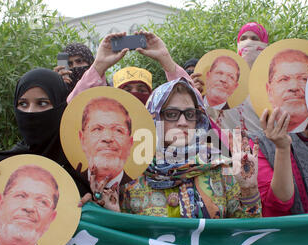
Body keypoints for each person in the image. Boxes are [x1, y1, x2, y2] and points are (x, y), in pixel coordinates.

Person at [89, 78, 262, 218]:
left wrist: (249, 189)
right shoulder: (133, 174)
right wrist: (114, 214)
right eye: (171, 114)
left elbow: (245, 235)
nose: (183, 122)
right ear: (154, 118)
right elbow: (127, 243)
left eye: (190, 114)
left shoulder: (220, 167)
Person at [0, 68, 91, 197]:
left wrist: (97, 204)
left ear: (61, 108)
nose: (30, 112)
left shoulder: (85, 168)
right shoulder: (1, 167)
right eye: (23, 104)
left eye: (42, 103)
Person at [67, 31, 194, 105]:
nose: (134, 94)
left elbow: (192, 102)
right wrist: (99, 65)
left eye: (141, 89)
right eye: (127, 90)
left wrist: (166, 59)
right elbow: (74, 105)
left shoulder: (162, 121)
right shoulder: (103, 122)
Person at [191, 22, 268, 135]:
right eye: (243, 38)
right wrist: (196, 94)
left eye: (254, 38)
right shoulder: (223, 80)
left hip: (264, 149)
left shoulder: (271, 81)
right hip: (229, 148)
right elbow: (207, 116)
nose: (248, 42)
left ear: (265, 45)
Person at [0, 165, 59, 245]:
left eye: (42, 202)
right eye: (21, 196)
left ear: (51, 219)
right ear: (0, 204)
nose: (29, 207)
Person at [78, 96, 134, 192]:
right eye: (97, 129)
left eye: (118, 130)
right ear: (82, 139)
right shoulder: (70, 184)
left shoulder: (144, 188)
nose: (107, 138)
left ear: (130, 142)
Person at [266, 49, 308, 133]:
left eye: (303, 79)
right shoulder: (255, 130)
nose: (294, 87)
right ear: (269, 91)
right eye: (284, 79)